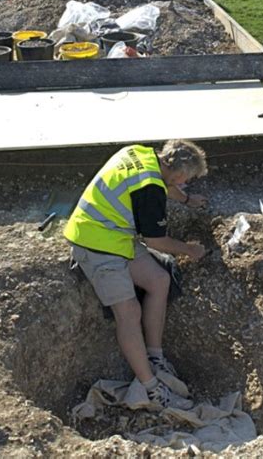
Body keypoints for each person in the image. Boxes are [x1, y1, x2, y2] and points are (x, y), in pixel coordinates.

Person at [63, 139, 208, 410]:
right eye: (187, 180)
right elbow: (157, 242)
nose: (185, 184)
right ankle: (151, 387)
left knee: (159, 280)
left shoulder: (140, 153)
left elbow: (165, 184)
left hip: (114, 234)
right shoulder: (150, 189)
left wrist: (187, 199)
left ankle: (154, 356)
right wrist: (190, 250)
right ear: (178, 174)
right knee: (128, 312)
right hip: (94, 244)